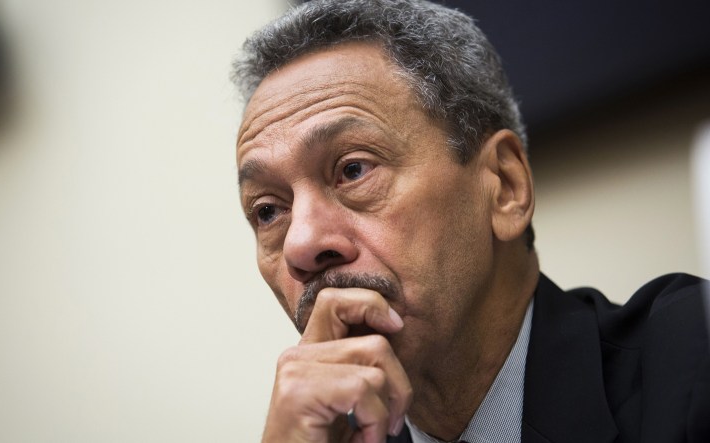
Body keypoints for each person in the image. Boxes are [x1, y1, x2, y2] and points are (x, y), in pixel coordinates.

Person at [231, 0, 710, 442]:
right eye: (268, 210)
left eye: (353, 169)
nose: (302, 243)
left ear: (504, 186)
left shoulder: (693, 360)